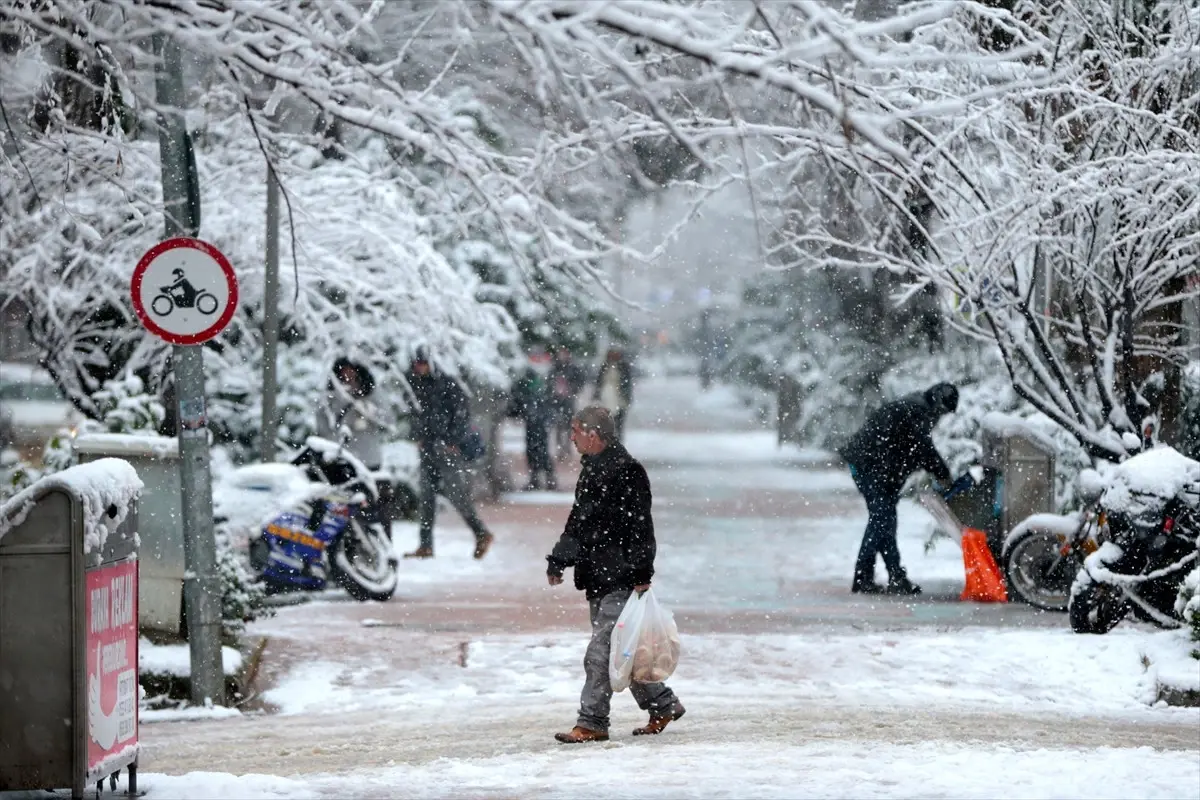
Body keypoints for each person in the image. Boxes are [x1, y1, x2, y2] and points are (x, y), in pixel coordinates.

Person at [546, 405, 685, 744]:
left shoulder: (627, 471)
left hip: (622, 577)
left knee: (599, 653)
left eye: (576, 431)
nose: (573, 437)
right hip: (598, 576)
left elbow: (641, 526)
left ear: (593, 435)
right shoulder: (591, 469)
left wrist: (640, 571)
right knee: (622, 650)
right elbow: (579, 522)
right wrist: (559, 560)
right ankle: (662, 703)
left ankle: (592, 721)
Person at [838, 382, 959, 596]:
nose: (942, 416)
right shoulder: (917, 411)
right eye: (943, 411)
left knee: (885, 522)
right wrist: (943, 474)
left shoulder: (917, 407)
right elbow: (922, 449)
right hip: (869, 467)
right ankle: (865, 578)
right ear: (938, 402)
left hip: (876, 468)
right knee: (881, 520)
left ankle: (894, 576)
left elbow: (909, 449)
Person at [404, 351, 495, 560]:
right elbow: (416, 414)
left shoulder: (446, 384)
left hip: (445, 448)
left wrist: (453, 441)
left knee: (456, 495)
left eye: (423, 363)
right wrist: (418, 436)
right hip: (428, 447)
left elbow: (461, 414)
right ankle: (426, 544)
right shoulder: (416, 384)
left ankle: (481, 532)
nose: (419, 368)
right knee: (427, 497)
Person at [513, 350, 557, 490]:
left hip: (539, 417)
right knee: (534, 448)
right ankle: (538, 478)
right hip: (533, 417)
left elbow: (554, 397)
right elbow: (518, 394)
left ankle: (546, 478)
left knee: (541, 448)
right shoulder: (529, 377)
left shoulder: (547, 376)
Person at [547, 347, 586, 462]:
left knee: (569, 425)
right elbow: (549, 382)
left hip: (568, 400)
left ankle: (567, 447)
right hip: (556, 401)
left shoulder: (573, 368)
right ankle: (560, 448)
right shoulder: (554, 368)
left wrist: (573, 390)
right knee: (558, 425)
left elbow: (580, 381)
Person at [592, 348, 633, 442]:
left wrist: (626, 397)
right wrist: (596, 396)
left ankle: (617, 445)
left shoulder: (623, 367)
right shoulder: (604, 367)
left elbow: (627, 385)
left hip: (619, 400)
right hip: (606, 399)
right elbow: (599, 383)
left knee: (618, 425)